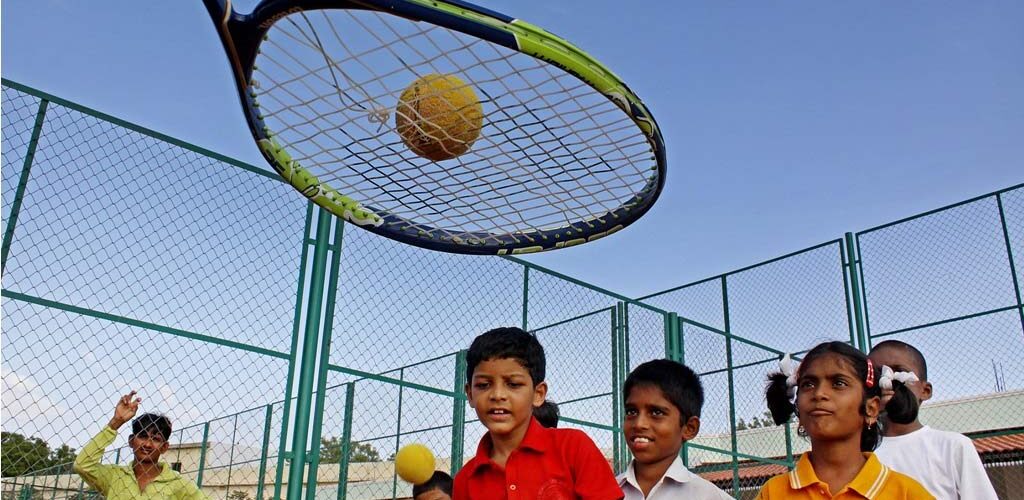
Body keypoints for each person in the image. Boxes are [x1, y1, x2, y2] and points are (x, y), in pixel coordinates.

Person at [452, 327, 623, 499]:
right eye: (483, 385)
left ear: (538, 394)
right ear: (469, 394)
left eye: (513, 384)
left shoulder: (574, 448)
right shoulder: (464, 480)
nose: (497, 395)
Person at [757, 341, 933, 499]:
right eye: (808, 384)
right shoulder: (773, 493)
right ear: (799, 410)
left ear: (871, 409)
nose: (819, 394)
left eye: (839, 383)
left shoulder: (906, 493)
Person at [868, 340, 998, 500]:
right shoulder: (857, 451)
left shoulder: (953, 446)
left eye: (899, 371)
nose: (887, 380)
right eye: (878, 374)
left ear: (925, 390)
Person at [617, 359, 731, 499]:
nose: (639, 424)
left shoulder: (710, 497)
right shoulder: (602, 494)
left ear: (689, 428)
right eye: (631, 412)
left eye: (656, 413)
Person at [73, 391, 207, 499]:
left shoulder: (177, 484)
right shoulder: (115, 476)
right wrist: (115, 422)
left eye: (155, 439)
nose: (147, 444)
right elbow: (82, 465)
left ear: (164, 447)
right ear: (131, 441)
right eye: (143, 436)